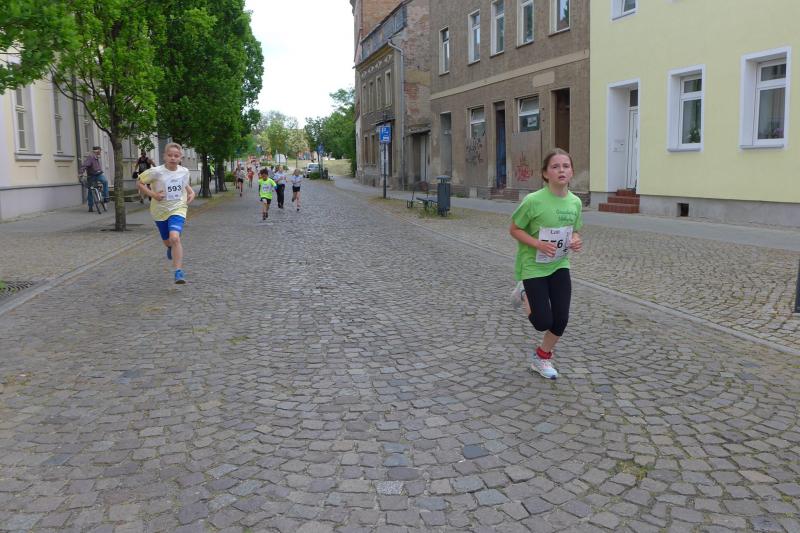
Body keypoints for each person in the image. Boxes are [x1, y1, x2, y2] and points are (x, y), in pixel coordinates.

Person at [509, 148, 583, 380]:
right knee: (542, 322)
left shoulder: (575, 202)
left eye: (566, 166)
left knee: (561, 319)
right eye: (555, 166)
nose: (561, 170)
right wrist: (538, 244)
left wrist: (575, 240)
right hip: (533, 266)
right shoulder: (533, 201)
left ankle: (541, 358)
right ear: (545, 173)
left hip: (560, 265)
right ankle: (524, 291)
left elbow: (575, 230)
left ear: (571, 172)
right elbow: (514, 229)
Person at [137, 143, 196, 284]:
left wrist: (191, 192)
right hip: (160, 211)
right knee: (167, 241)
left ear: (180, 158)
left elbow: (183, 184)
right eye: (170, 155)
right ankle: (170, 247)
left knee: (175, 237)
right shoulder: (156, 172)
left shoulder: (184, 171)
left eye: (176, 156)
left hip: (178, 208)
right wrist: (153, 195)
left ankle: (178, 272)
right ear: (164, 156)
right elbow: (139, 182)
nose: (173, 158)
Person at [79, 145, 110, 211]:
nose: (100, 152)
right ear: (97, 151)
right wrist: (81, 173)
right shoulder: (91, 157)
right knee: (91, 190)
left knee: (105, 181)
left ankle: (105, 197)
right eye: (100, 151)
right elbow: (84, 165)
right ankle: (90, 206)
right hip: (92, 176)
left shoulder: (96, 157)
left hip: (99, 174)